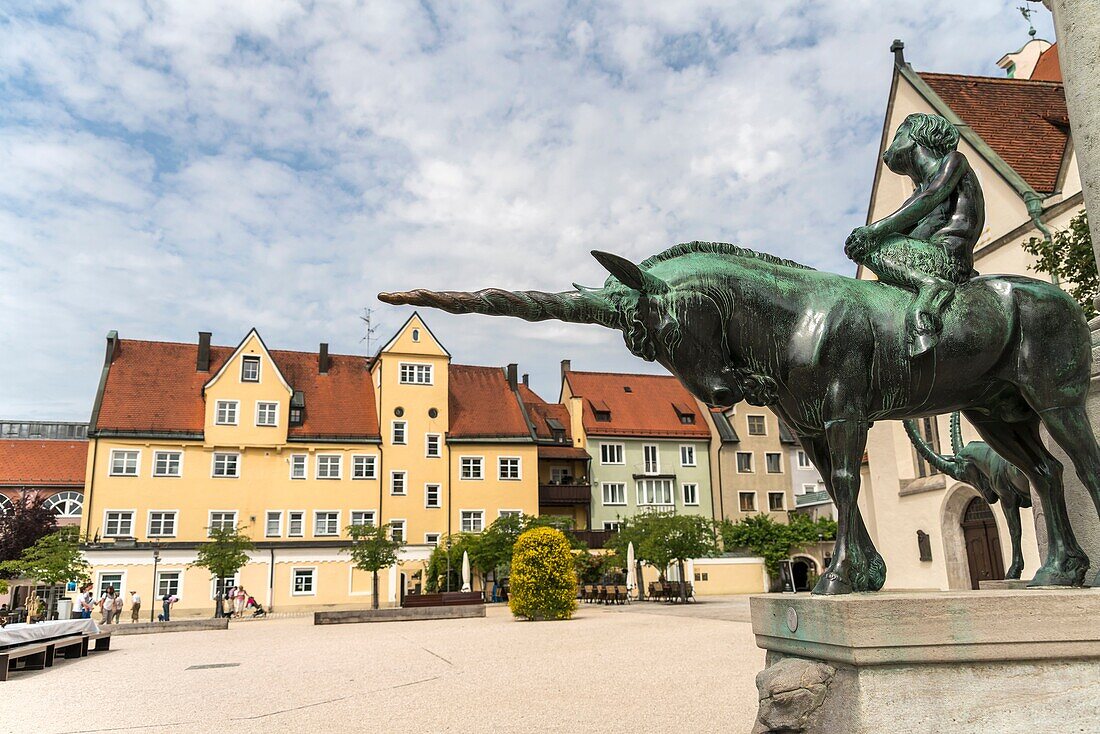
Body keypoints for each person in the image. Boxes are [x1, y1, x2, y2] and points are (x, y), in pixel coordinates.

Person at [845, 112, 984, 357]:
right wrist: (867, 237)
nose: (888, 149)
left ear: (917, 136)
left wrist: (874, 231)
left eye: (899, 135)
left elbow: (930, 198)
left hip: (949, 257)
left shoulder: (952, 161)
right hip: (929, 257)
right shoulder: (917, 191)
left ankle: (931, 288)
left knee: (871, 244)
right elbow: (908, 219)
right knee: (865, 246)